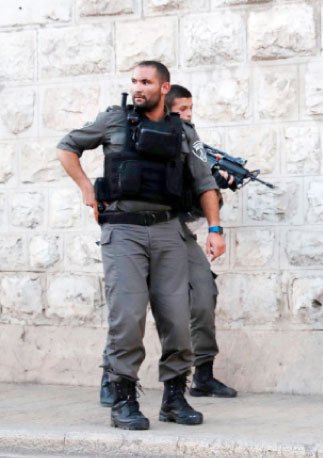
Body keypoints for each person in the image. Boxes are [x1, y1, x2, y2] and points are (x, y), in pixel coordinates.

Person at [57, 61, 225, 430]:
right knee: (128, 318)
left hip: (168, 231)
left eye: (146, 82)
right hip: (123, 231)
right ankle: (123, 398)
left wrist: (215, 228)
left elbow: (205, 182)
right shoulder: (114, 120)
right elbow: (67, 146)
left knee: (178, 320)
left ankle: (174, 398)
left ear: (164, 88)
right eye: (134, 81)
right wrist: (86, 187)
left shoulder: (183, 131)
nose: (138, 87)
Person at [98, 84, 238, 406]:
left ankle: (202, 372)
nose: (188, 115)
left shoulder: (190, 138)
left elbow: (200, 195)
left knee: (203, 293)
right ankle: (112, 375)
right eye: (182, 109)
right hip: (135, 230)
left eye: (191, 109)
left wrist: (216, 187)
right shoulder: (139, 134)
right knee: (128, 307)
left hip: (176, 231)